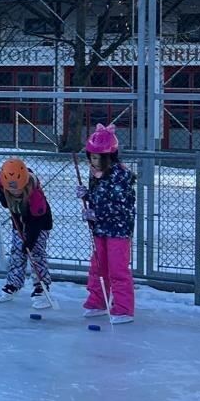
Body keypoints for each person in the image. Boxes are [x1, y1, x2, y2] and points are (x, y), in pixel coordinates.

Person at [79, 124, 135, 323]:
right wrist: (87, 195)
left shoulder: (120, 176)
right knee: (97, 266)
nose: (93, 162)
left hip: (118, 231)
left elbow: (119, 205)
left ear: (109, 157)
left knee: (117, 269)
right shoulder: (95, 174)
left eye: (97, 158)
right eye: (91, 158)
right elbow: (98, 197)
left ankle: (123, 308)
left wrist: (95, 212)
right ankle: (97, 301)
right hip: (100, 229)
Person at [0, 158, 54, 309]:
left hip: (39, 224)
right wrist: (4, 196)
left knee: (35, 252)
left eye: (18, 189)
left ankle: (41, 286)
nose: (15, 192)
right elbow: (3, 201)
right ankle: (13, 283)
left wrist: (29, 241)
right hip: (19, 223)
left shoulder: (36, 197)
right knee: (17, 253)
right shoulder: (2, 180)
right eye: (11, 190)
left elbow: (36, 224)